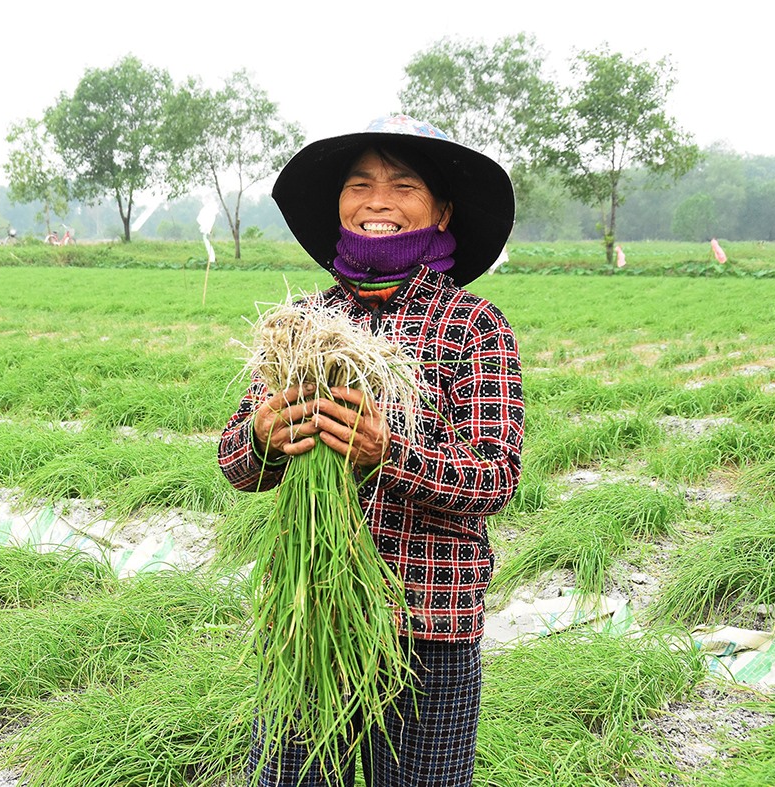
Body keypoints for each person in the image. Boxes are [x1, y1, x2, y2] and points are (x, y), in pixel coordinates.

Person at [218, 115, 524, 787]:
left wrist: (390, 451)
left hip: (427, 622)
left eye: (401, 185)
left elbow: (496, 475)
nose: (376, 201)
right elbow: (234, 463)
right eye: (359, 184)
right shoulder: (300, 328)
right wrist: (263, 437)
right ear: (339, 205)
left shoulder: (473, 325)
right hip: (310, 610)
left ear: (440, 210)